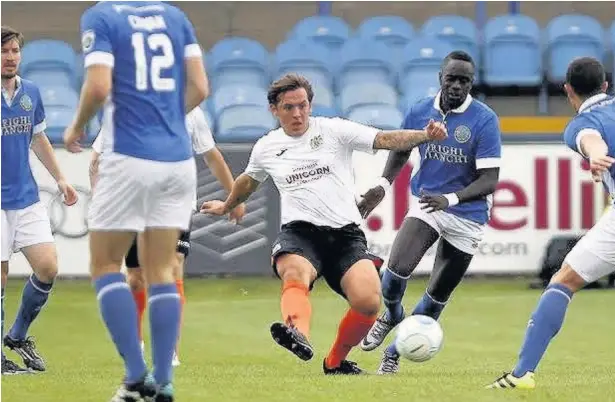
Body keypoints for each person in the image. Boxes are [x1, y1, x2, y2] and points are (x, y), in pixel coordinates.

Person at [200, 73, 448, 375]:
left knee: (369, 302)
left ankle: (335, 362)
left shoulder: (334, 130)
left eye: (303, 106)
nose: (297, 114)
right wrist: (228, 205)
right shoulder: (267, 147)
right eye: (289, 107)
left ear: (310, 105)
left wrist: (425, 135)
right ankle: (298, 333)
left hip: (346, 236)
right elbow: (248, 181)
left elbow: (384, 139)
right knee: (295, 273)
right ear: (274, 110)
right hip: (300, 234)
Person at [63, 2, 208, 401]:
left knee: (106, 264)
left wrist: (76, 127)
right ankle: (163, 383)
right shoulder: (176, 17)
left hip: (128, 157)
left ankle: (133, 378)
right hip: (177, 161)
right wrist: (165, 120)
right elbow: (200, 87)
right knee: (161, 269)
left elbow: (98, 86)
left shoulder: (102, 16)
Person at [357, 51, 502, 375]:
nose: (457, 86)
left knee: (436, 296)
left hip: (468, 214)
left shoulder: (484, 119)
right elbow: (402, 149)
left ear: (471, 84)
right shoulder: (421, 110)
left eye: (464, 80)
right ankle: (392, 313)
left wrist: (450, 199)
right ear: (441, 77)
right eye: (452, 78)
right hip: (427, 205)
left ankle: (394, 353)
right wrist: (383, 184)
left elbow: (490, 180)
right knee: (395, 272)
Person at [486, 57, 615, 390]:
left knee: (563, 281)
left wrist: (595, 154)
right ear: (605, 86)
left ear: (567, 90)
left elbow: (590, 138)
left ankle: (522, 375)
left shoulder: (581, 123)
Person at [89, 106, 246, 367]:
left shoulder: (190, 111)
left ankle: (169, 348)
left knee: (172, 269)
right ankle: (136, 342)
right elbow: (97, 158)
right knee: (137, 278)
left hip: (176, 203)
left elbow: (211, 155)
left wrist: (234, 196)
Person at [1, 26, 79, 375]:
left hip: (26, 197)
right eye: (4, 51)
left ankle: (17, 336)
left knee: (47, 267)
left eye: (15, 51)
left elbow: (38, 138)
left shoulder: (30, 92)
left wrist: (61, 178)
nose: (10, 57)